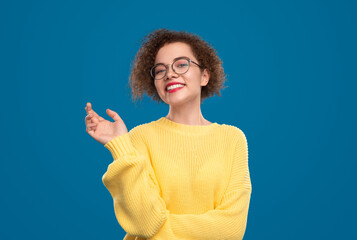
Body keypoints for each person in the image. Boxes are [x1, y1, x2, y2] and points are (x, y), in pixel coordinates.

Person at [84, 29, 252, 240]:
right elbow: (143, 222)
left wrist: (160, 227)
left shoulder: (232, 139)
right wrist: (120, 145)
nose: (170, 74)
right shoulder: (140, 137)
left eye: (181, 64)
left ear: (205, 76)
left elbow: (231, 229)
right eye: (160, 70)